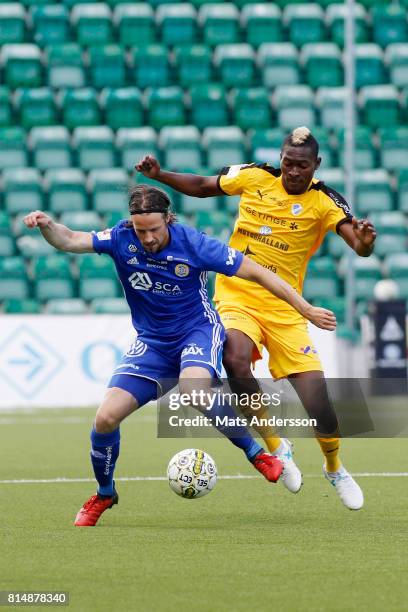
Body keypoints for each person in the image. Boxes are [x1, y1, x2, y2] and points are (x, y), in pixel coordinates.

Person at [23, 185, 336, 527]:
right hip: (154, 343)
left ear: (168, 219)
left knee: (193, 390)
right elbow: (69, 240)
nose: (148, 238)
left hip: (197, 331)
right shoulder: (120, 237)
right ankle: (105, 493)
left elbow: (259, 272)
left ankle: (257, 454)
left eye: (154, 230)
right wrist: (46, 225)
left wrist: (304, 308)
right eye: (141, 230)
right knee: (105, 418)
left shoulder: (195, 244)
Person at [136, 126, 377, 511]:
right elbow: (201, 185)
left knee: (319, 405)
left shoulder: (325, 201)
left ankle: (334, 468)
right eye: (287, 164)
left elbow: (358, 244)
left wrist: (365, 243)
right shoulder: (256, 176)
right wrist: (160, 175)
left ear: (316, 166)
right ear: (280, 161)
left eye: (301, 166)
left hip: (286, 308)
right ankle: (276, 445)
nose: (293, 172)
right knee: (234, 357)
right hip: (237, 294)